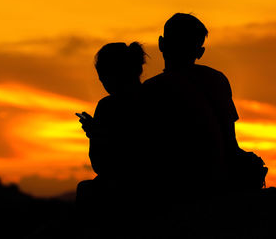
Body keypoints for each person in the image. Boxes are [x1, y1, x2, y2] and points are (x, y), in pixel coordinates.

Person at [141, 13, 243, 197]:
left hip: (168, 183)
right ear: (200, 52)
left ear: (161, 44)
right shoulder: (216, 80)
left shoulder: (149, 90)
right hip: (213, 179)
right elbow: (230, 140)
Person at [76, 42, 146, 238]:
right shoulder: (156, 96)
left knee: (85, 190)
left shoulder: (108, 106)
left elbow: (102, 165)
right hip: (158, 182)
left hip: (127, 189)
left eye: (102, 77)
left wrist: (96, 134)